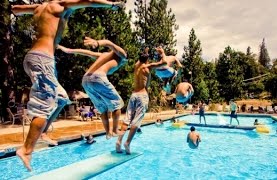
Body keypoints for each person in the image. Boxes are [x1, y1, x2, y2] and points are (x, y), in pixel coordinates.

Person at [12, 0, 124, 171]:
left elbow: (16, 9)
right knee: (44, 105)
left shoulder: (39, 7)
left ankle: (42, 131)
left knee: (62, 97)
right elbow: (90, 2)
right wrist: (113, 5)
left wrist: (18, 10)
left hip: (34, 57)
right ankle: (26, 150)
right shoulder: (59, 4)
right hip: (43, 59)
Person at [57, 37, 127, 139]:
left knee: (102, 107)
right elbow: (109, 43)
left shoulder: (104, 55)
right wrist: (98, 43)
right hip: (98, 78)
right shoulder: (122, 55)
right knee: (117, 104)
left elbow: (86, 52)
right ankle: (115, 130)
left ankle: (108, 133)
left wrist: (67, 50)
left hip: (86, 80)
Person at [116, 46, 167, 154]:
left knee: (127, 119)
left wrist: (146, 52)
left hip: (133, 95)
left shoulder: (136, 66)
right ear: (147, 60)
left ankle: (119, 141)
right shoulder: (148, 66)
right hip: (142, 95)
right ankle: (127, 143)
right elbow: (164, 62)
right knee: (136, 120)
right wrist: (162, 52)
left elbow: (142, 59)